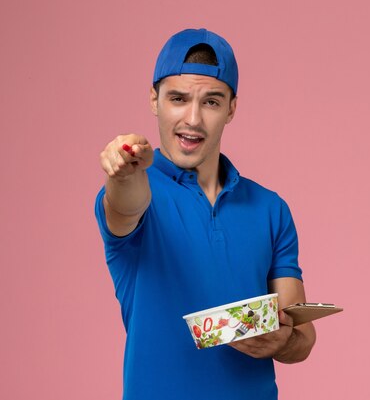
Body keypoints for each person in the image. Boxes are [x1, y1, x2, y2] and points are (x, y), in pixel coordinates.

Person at [95, 28, 316, 400]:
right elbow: (125, 205)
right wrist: (123, 172)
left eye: (211, 102)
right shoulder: (137, 190)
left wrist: (282, 341)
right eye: (178, 99)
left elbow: (303, 338)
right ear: (154, 99)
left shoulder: (270, 209)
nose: (193, 120)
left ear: (231, 108)